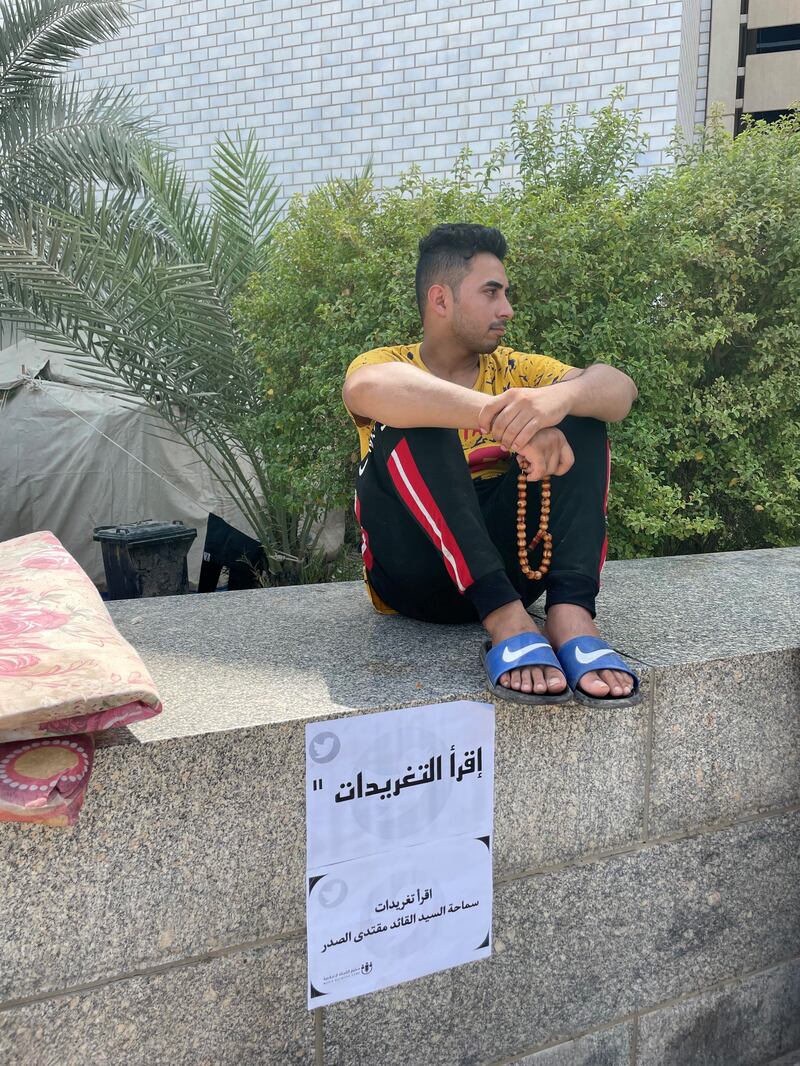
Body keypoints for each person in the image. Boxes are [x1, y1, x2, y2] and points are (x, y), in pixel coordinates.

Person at [342, 222, 641, 707]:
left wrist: (557, 401)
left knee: (583, 416)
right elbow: (365, 390)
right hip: (417, 577)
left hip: (513, 567)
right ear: (441, 300)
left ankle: (570, 614)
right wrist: (497, 417)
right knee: (411, 416)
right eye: (491, 292)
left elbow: (619, 390)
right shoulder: (387, 362)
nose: (507, 309)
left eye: (506, 293)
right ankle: (506, 622)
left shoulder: (518, 370)